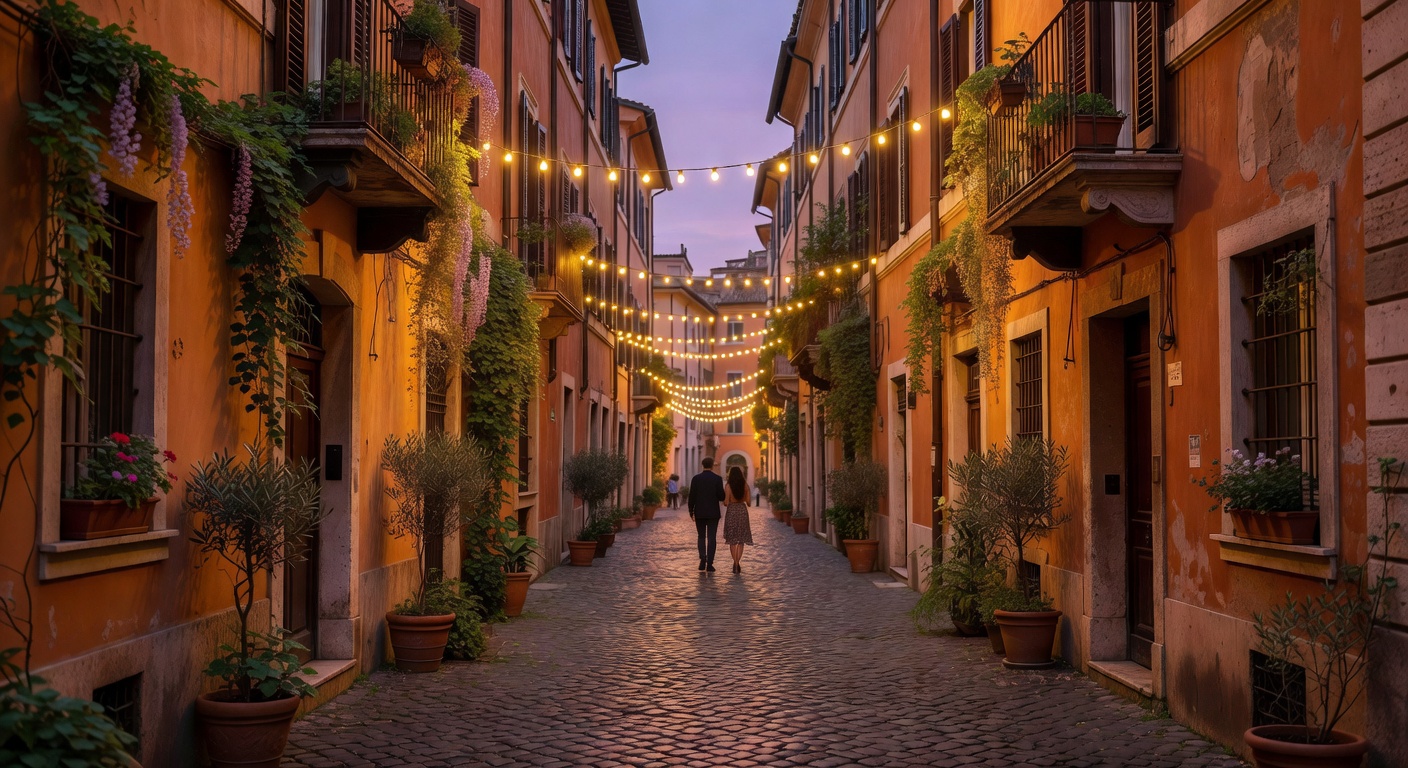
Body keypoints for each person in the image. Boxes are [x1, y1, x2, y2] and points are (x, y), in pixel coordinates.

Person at [687, 457, 726, 572]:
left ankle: (702, 558)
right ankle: (710, 563)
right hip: (713, 513)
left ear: (702, 465)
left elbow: (691, 496)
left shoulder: (696, 479)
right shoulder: (717, 479)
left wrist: (691, 510)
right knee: (712, 537)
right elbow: (721, 497)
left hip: (699, 512)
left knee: (701, 536)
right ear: (712, 465)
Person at [723, 466, 754, 574]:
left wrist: (729, 500)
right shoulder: (745, 486)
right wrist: (743, 498)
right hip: (742, 511)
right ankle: (737, 563)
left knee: (732, 539)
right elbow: (749, 503)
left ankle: (735, 563)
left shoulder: (728, 486)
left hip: (731, 511)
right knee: (740, 540)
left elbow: (726, 503)